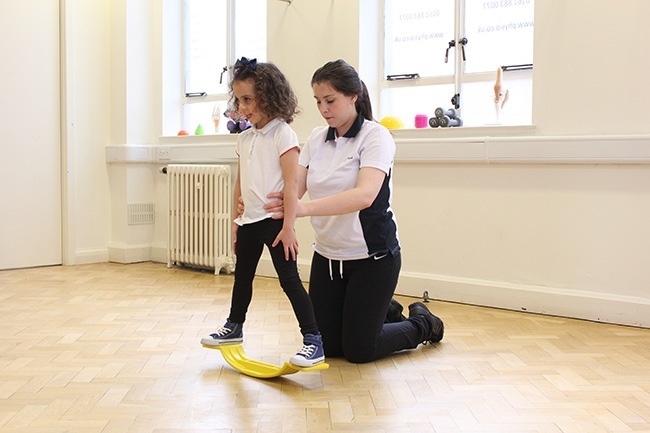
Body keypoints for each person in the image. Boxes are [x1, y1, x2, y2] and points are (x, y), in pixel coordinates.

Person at [264, 59, 444, 363]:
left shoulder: (376, 136)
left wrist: (302, 209)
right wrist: (264, 204)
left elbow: (364, 195)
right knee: (331, 347)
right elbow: (294, 189)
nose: (324, 109)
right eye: (319, 101)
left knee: (360, 350)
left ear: (353, 96)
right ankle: (384, 311)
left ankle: (424, 323)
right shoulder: (317, 139)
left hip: (373, 259)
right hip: (329, 259)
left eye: (330, 100)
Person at [201, 57, 324, 368]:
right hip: (248, 223)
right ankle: (234, 327)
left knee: (289, 281)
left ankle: (314, 340)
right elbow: (239, 183)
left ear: (269, 96)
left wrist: (289, 227)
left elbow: (291, 183)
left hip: (275, 223)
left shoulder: (283, 134)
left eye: (248, 99)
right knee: (242, 278)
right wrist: (235, 222)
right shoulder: (245, 138)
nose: (242, 107)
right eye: (238, 100)